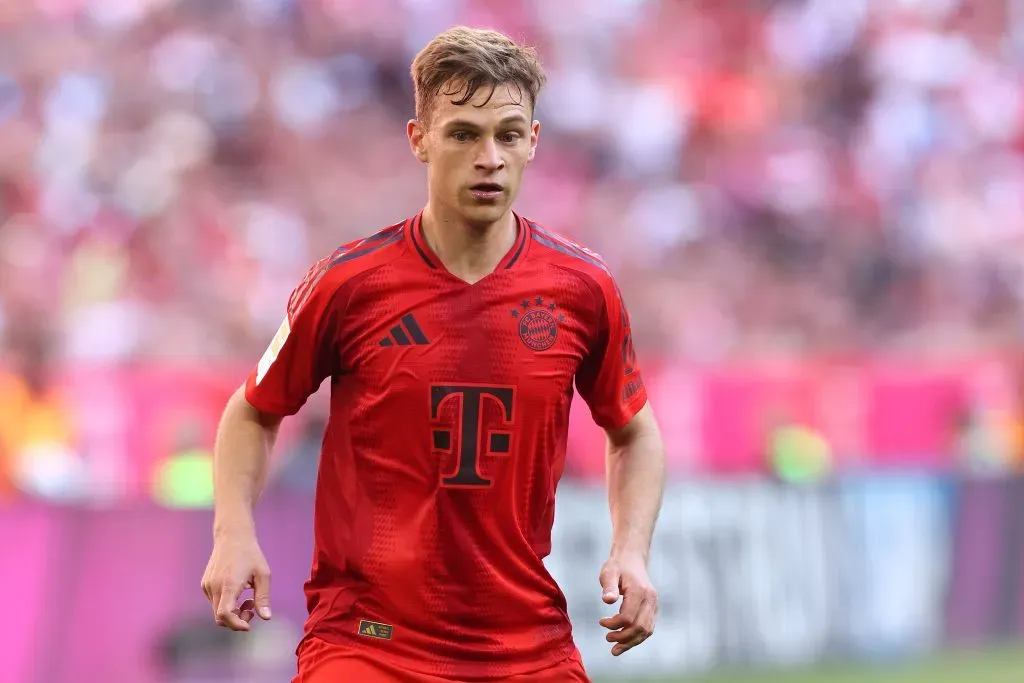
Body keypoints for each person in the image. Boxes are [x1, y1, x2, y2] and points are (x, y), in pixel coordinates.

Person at [201, 26, 666, 683]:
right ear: (419, 138)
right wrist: (233, 533)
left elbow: (635, 430)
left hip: (524, 644)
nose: (489, 157)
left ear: (533, 142)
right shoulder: (350, 283)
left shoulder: (581, 290)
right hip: (368, 641)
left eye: (508, 134)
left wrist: (632, 549)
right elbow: (253, 411)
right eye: (463, 134)